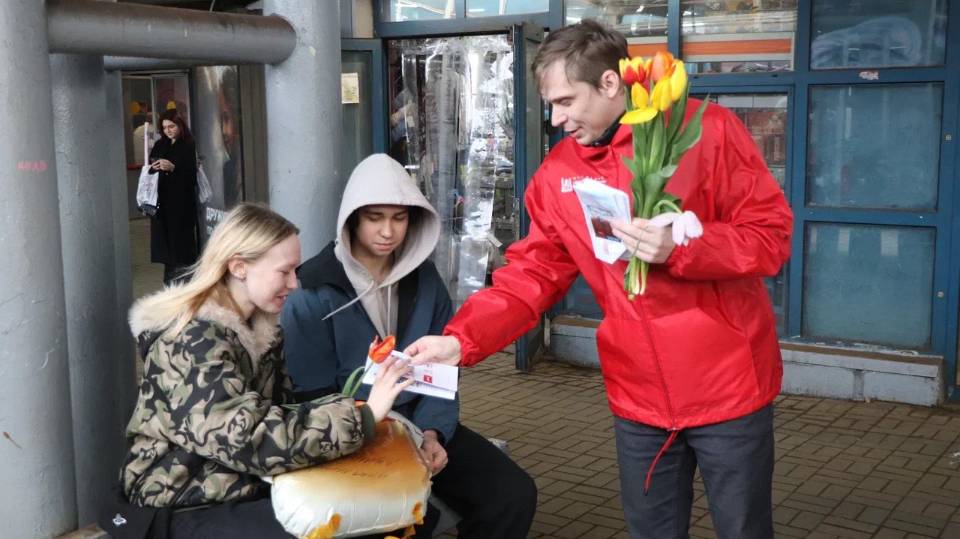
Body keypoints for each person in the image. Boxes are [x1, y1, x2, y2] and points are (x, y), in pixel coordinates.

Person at [404, 19, 793, 539]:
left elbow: (770, 237)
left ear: (611, 84)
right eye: (551, 105)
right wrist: (461, 341)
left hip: (727, 387)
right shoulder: (556, 176)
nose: (557, 119)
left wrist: (683, 247)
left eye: (566, 101)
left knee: (744, 530)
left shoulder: (709, 131)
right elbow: (532, 275)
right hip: (639, 397)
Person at [111, 203, 414, 538]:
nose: (295, 283)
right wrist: (362, 419)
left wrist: (359, 414)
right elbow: (245, 438)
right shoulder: (191, 338)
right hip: (174, 496)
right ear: (239, 267)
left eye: (296, 270)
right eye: (284, 271)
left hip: (231, 482)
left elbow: (278, 414)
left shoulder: (261, 329)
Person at [281, 154, 537, 539]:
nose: (388, 231)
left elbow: (442, 376)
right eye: (375, 217)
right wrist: (378, 434)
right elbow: (311, 395)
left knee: (512, 494)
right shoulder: (311, 290)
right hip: (346, 434)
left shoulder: (425, 280)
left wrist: (433, 433)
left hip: (421, 425)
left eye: (399, 218)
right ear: (351, 218)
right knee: (406, 520)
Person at [148, 109, 201, 285]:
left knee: (182, 249)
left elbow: (191, 177)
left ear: (180, 125)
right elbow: (149, 168)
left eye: (171, 126)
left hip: (181, 205)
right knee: (167, 249)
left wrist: (173, 168)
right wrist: (155, 166)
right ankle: (170, 283)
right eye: (164, 128)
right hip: (162, 204)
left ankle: (184, 283)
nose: (168, 130)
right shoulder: (160, 144)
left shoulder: (188, 144)